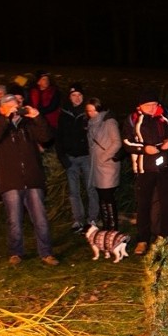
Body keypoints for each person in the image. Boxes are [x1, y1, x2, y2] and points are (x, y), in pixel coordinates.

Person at [0, 94, 59, 267]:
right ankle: (15, 252)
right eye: (10, 107)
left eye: (16, 106)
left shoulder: (28, 125)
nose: (15, 110)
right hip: (11, 181)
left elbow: (47, 137)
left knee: (40, 219)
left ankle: (46, 253)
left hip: (33, 179)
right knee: (14, 219)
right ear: (1, 109)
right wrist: (5, 119)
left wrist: (37, 117)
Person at [122, 88, 168, 255]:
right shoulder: (132, 119)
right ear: (140, 106)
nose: (152, 108)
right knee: (143, 205)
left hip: (166, 168)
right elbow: (127, 143)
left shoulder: (167, 116)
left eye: (154, 104)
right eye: (148, 105)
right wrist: (144, 149)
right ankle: (143, 239)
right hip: (144, 169)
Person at [57, 82, 98, 232]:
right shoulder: (64, 114)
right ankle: (78, 220)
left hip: (86, 157)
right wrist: (62, 157)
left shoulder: (88, 113)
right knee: (74, 191)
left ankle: (92, 218)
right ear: (70, 97)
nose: (77, 98)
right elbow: (59, 136)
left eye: (79, 95)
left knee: (90, 188)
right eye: (74, 95)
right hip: (70, 158)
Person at [85, 97, 122, 231]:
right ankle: (106, 227)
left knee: (107, 197)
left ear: (99, 109)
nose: (90, 113)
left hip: (107, 166)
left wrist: (104, 158)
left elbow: (117, 142)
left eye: (93, 110)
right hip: (96, 166)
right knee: (102, 197)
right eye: (88, 111)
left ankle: (112, 228)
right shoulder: (91, 123)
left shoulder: (109, 122)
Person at [27, 70, 61, 141]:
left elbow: (52, 107)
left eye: (47, 79)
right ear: (38, 82)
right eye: (43, 79)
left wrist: (37, 113)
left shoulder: (54, 92)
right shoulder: (32, 92)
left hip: (51, 123)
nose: (46, 81)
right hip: (36, 123)